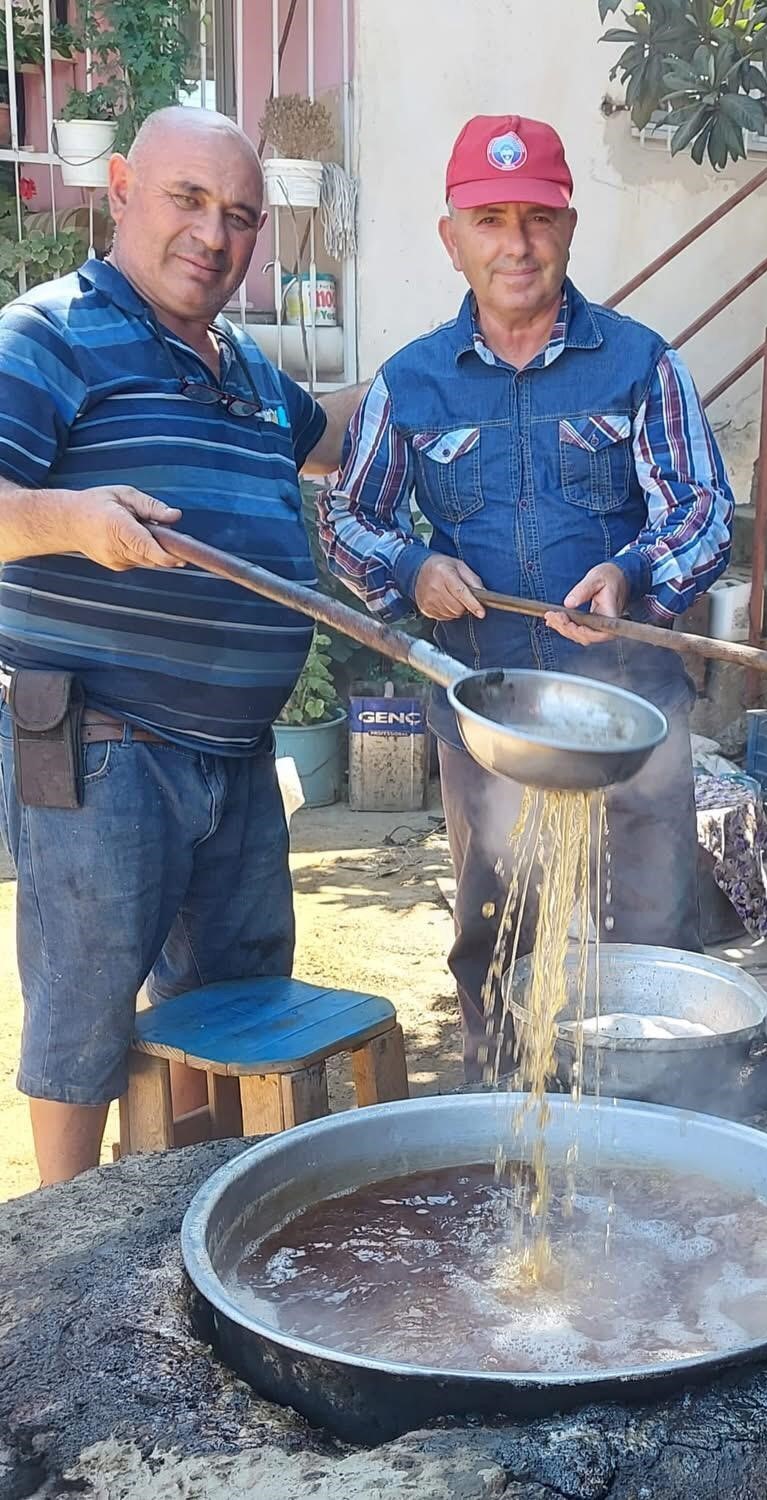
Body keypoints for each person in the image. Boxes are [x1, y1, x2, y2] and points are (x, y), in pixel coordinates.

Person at [322, 114, 734, 1080]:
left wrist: (636, 576)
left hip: (632, 712)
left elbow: (704, 511)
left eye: (538, 219)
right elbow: (347, 520)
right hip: (490, 723)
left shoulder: (639, 366)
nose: (517, 244)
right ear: (452, 237)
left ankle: (658, 1129)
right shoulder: (410, 384)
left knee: (654, 933)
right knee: (496, 935)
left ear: (569, 227)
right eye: (491, 219)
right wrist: (410, 567)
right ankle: (504, 1120)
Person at [0, 107, 366, 1185]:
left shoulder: (247, 369)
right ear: (119, 189)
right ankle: (64, 1260)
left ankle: (191, 1218)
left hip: (239, 758)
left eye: (242, 216)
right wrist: (71, 521)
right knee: (84, 1019)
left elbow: (335, 436)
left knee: (232, 1013)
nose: (216, 235)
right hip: (103, 748)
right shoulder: (46, 335)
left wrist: (453, 372)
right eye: (190, 201)